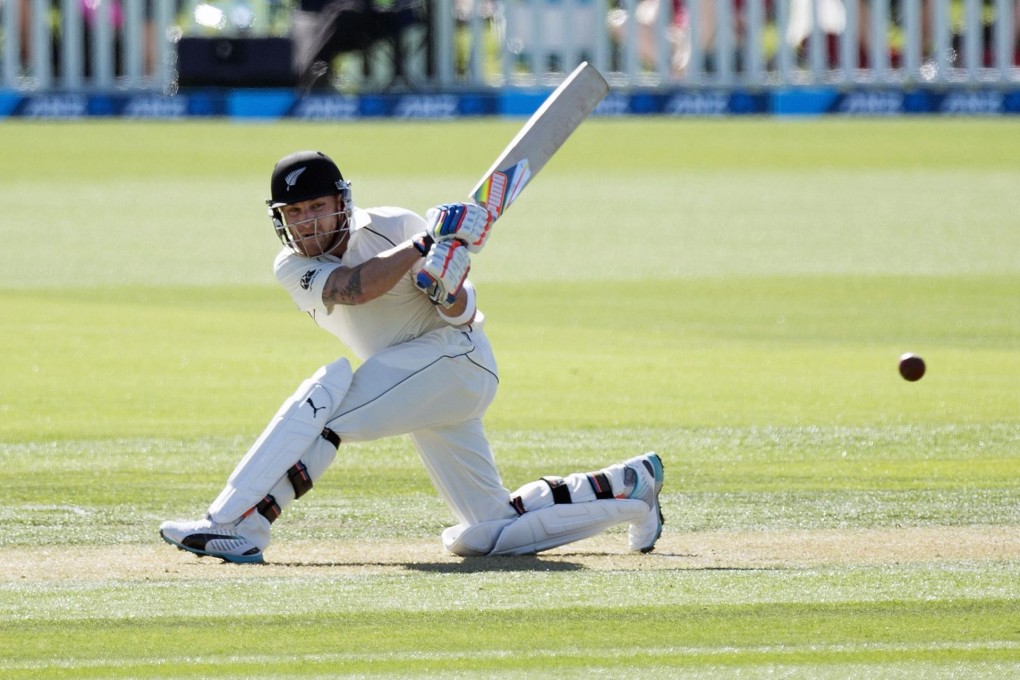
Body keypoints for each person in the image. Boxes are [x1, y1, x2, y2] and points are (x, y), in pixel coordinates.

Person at [159, 150, 664, 563]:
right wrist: (426, 244)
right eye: (293, 213)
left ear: (341, 201)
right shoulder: (291, 265)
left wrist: (447, 286)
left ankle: (237, 525)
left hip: (453, 361)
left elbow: (463, 313)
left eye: (316, 206)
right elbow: (354, 287)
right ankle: (629, 488)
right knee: (490, 531)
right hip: (414, 384)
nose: (306, 224)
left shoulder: (395, 225)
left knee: (325, 409)